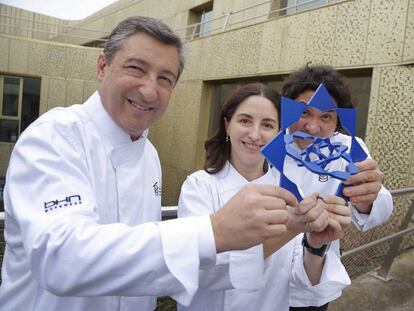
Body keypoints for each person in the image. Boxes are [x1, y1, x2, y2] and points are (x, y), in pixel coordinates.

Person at [0, 17, 297, 311]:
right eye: (136, 68)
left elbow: (177, 266)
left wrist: (296, 229)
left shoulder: (150, 156)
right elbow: (61, 259)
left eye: (165, 79)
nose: (149, 90)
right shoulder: (54, 135)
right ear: (103, 66)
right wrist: (213, 230)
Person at [177, 83, 353, 311]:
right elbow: (202, 271)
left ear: (279, 133)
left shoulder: (288, 189)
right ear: (227, 124)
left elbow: (301, 279)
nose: (255, 134)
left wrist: (315, 246)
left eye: (267, 124)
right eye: (245, 121)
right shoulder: (199, 186)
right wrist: (292, 227)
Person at [280, 65, 393, 311]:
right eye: (304, 113)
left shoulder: (348, 147)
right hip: (262, 279)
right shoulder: (268, 142)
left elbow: (382, 206)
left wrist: (365, 199)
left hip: (315, 280)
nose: (312, 127)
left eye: (326, 117)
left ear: (337, 119)